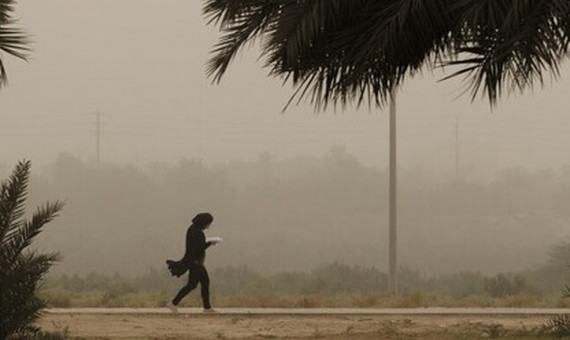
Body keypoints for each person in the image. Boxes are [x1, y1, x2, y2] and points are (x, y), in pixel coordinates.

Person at [166, 212, 218, 313]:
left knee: (193, 284)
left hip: (194, 262)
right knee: (202, 282)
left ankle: (174, 303)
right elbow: (198, 248)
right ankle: (206, 307)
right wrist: (210, 243)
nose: (209, 226)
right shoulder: (196, 232)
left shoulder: (193, 229)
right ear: (204, 222)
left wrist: (207, 243)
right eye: (209, 223)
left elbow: (197, 245)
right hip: (196, 262)